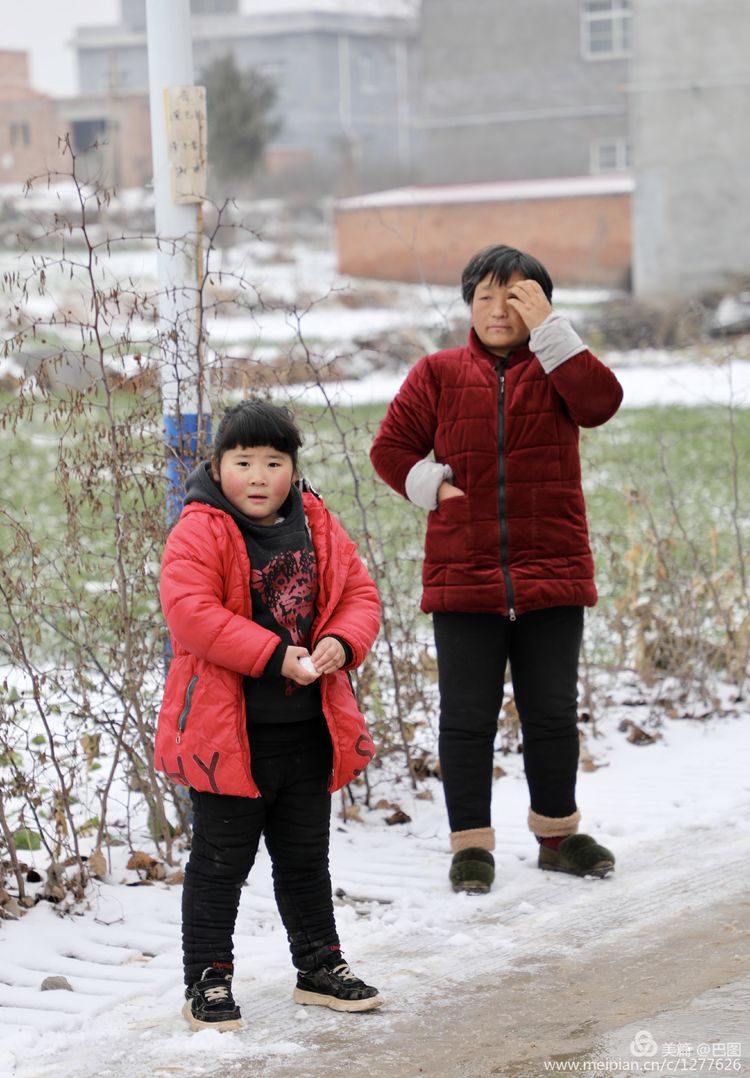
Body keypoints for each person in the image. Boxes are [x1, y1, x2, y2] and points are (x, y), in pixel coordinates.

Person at [370, 244, 623, 894]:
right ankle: (471, 846)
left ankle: (558, 836)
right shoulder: (438, 373)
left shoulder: (560, 368)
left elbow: (601, 404)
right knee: (466, 718)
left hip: (553, 572)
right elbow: (390, 448)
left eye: (515, 296)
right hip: (464, 574)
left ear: (539, 304)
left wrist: (553, 333)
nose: (498, 309)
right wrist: (434, 487)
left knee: (551, 713)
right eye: (484, 296)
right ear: (469, 306)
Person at [155, 399, 383, 1031]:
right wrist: (276, 656)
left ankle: (320, 966)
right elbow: (191, 614)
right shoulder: (199, 529)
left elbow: (359, 594)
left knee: (306, 857)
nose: (258, 477)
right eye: (243, 461)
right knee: (220, 863)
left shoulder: (317, 523)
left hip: (308, 729)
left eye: (274, 462)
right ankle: (207, 980)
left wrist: (341, 641)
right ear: (218, 466)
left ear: (293, 468)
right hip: (230, 738)